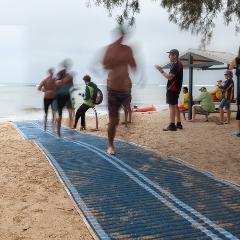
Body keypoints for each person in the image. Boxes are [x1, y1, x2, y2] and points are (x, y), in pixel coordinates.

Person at [102, 26, 137, 155]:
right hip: (113, 89)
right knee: (113, 121)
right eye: (120, 34)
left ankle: (126, 127)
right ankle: (110, 145)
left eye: (124, 35)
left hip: (126, 89)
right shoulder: (110, 49)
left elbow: (133, 66)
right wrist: (118, 60)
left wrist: (133, 63)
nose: (122, 37)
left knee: (128, 110)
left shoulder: (128, 49)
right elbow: (104, 65)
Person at [155, 49, 183, 131]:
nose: (169, 56)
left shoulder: (176, 65)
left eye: (170, 54)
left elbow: (169, 77)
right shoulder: (178, 64)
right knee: (175, 105)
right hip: (176, 88)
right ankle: (179, 123)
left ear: (175, 55)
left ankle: (172, 125)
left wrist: (160, 70)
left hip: (173, 88)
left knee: (171, 106)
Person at [55, 59, 74, 138]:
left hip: (67, 95)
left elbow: (71, 86)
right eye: (66, 65)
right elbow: (56, 83)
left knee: (70, 113)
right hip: (59, 96)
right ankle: (59, 132)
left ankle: (70, 129)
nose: (67, 66)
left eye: (68, 65)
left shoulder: (69, 75)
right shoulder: (60, 73)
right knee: (60, 116)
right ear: (64, 65)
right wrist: (63, 81)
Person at [229, 47, 240, 137]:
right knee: (239, 110)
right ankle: (239, 131)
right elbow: (230, 67)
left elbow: (230, 67)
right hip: (239, 91)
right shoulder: (237, 60)